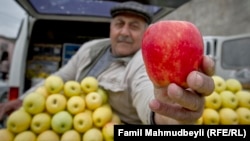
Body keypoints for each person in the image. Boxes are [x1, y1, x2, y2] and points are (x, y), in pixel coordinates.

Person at [0, 1, 214, 125]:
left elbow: (147, 92)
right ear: (110, 28)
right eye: (119, 24)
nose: (124, 32)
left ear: (146, 35)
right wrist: (23, 100)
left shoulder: (142, 62)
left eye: (134, 26)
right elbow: (61, 77)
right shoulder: (91, 48)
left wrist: (169, 115)